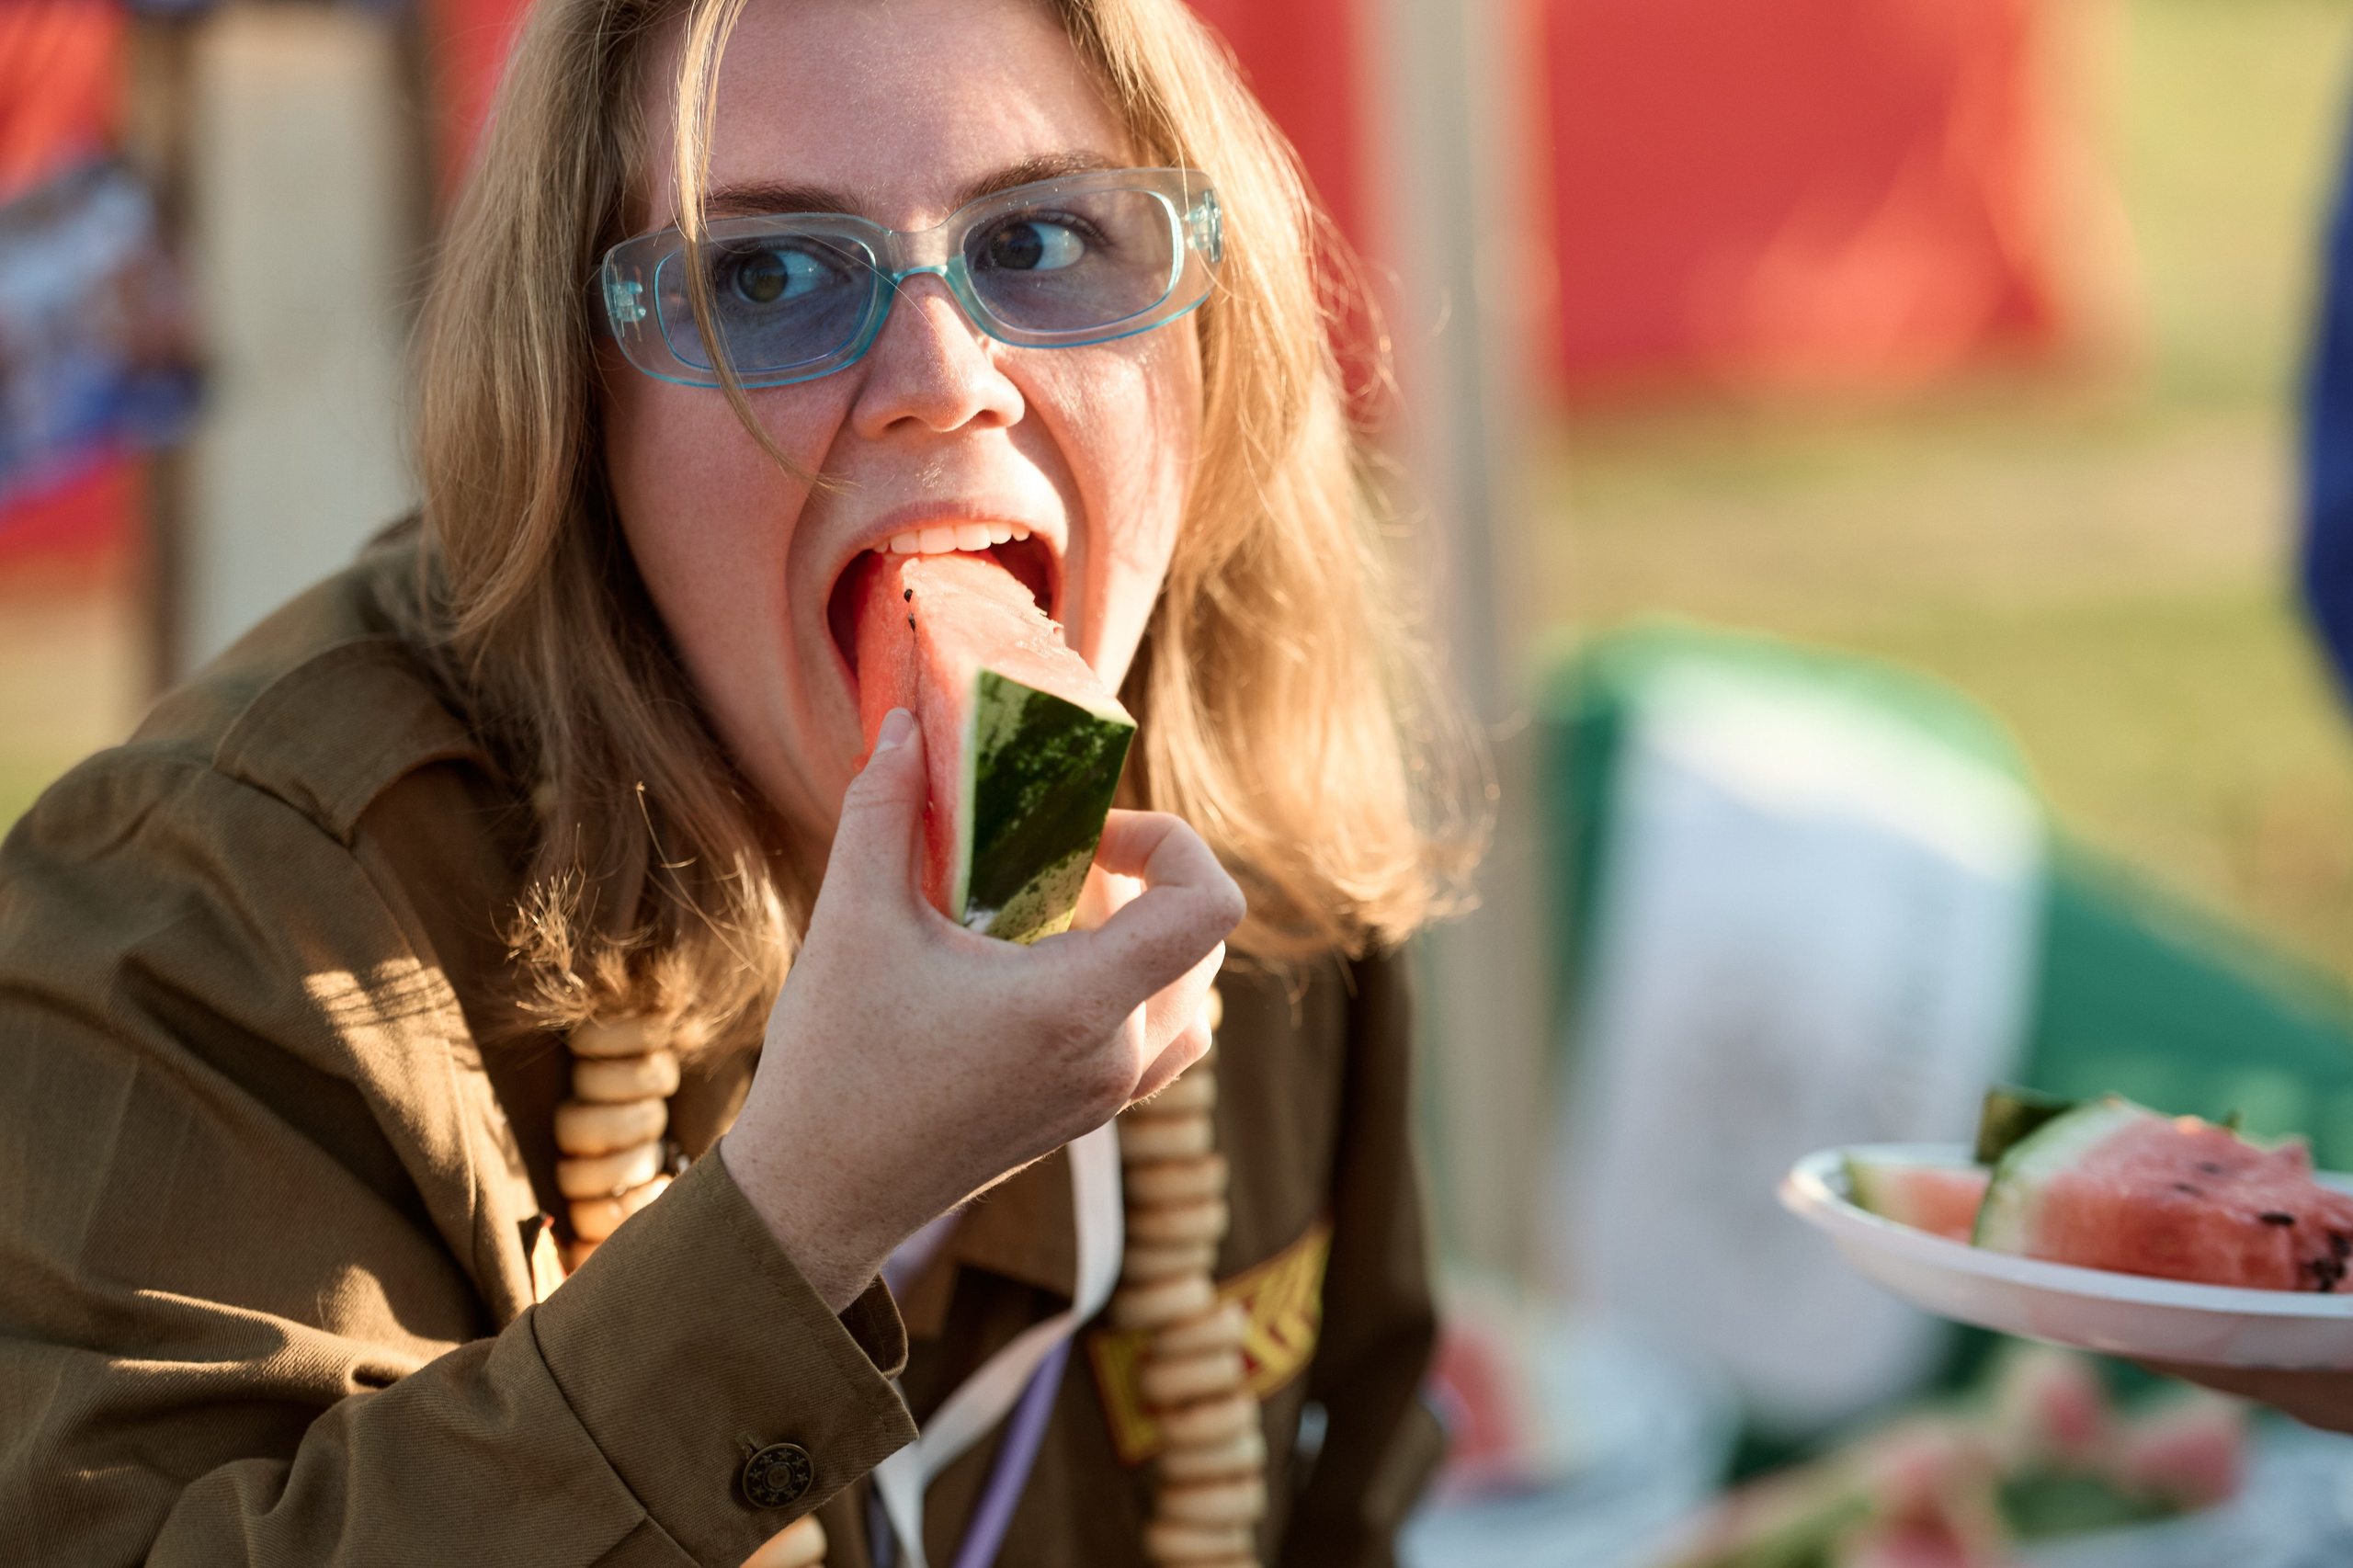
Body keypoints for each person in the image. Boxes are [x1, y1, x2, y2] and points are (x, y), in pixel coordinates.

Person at [0, 0, 1478, 1563]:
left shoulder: (1250, 803)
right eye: (763, 278)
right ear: (576, 403)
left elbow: (1349, 1492)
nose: (943, 375)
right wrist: (799, 1213)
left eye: (1043, 243)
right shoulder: (205, 923)